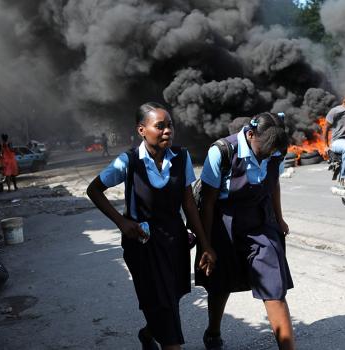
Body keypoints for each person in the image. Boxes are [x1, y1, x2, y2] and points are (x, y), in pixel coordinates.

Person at [86, 102, 216, 350]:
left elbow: (189, 205)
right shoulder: (128, 162)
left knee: (170, 299)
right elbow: (94, 190)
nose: (168, 131)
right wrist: (122, 221)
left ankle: (148, 334)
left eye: (170, 125)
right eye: (160, 126)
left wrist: (205, 245)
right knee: (162, 303)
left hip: (174, 242)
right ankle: (169, 341)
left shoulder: (181, 157)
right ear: (141, 130)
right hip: (143, 246)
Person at [197, 112, 295, 350]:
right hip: (225, 223)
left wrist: (279, 219)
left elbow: (274, 185)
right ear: (250, 135)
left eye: (275, 152)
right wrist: (206, 245)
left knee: (274, 286)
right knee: (220, 284)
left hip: (261, 222)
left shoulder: (276, 150)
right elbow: (208, 202)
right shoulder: (221, 151)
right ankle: (213, 332)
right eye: (266, 150)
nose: (270, 155)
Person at [323, 95, 345, 188]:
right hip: (338, 141)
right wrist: (326, 145)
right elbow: (325, 128)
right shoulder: (335, 111)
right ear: (344, 102)